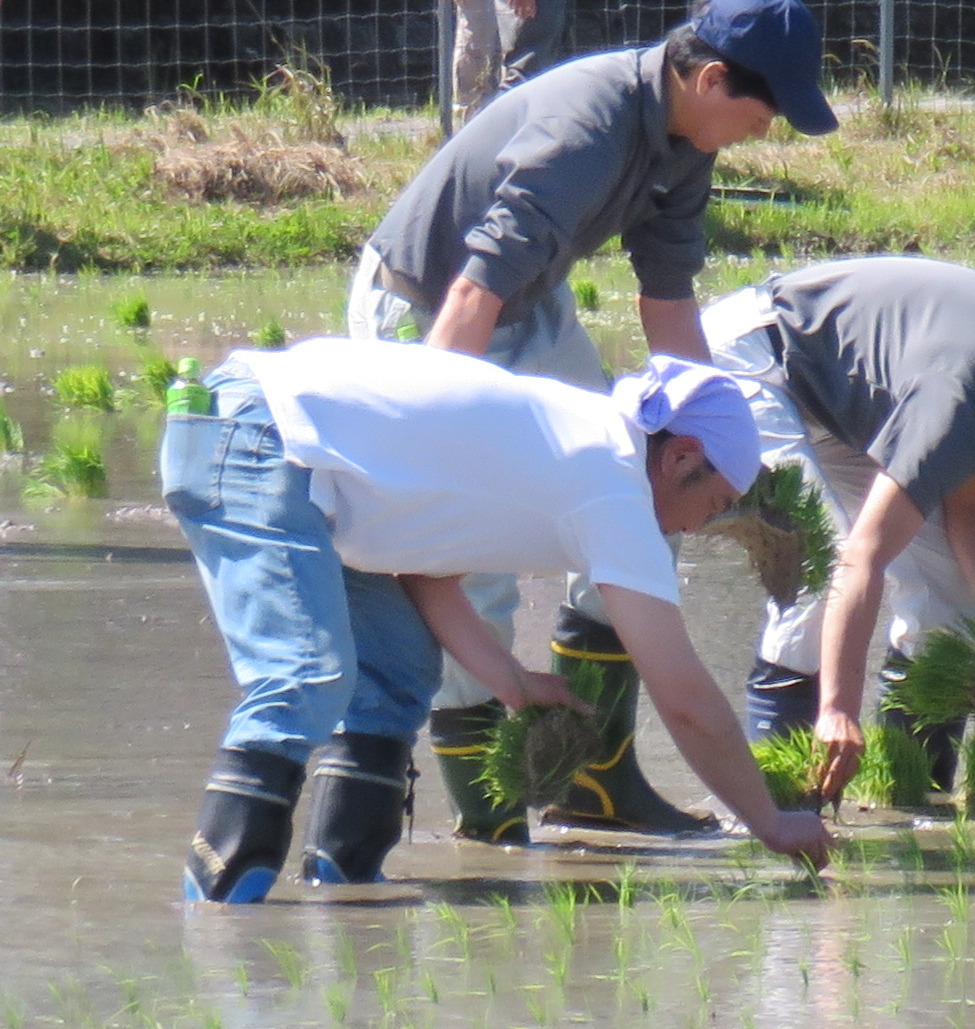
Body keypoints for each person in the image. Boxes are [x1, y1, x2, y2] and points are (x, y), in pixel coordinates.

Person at [352, 0, 840, 837]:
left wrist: (714, 454)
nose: (768, 133)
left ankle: (598, 787)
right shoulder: (586, 130)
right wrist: (433, 456)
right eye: (767, 114)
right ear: (715, 80)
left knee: (633, 499)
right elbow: (473, 289)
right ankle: (490, 812)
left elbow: (669, 302)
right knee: (470, 554)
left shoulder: (686, 140)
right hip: (432, 311)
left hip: (530, 308)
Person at [160, 337, 834, 896]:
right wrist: (771, 822)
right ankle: (216, 926)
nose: (701, 522)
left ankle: (342, 897)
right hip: (254, 434)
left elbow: (428, 573)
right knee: (306, 679)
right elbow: (685, 699)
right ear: (682, 455)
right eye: (713, 503)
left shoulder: (572, 443)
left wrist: (513, 681)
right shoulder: (612, 481)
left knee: (398, 670)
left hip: (298, 466)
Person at [698, 255, 975, 782]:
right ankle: (777, 806)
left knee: (951, 603)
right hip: (758, 354)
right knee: (815, 571)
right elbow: (860, 556)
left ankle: (909, 794)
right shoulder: (971, 392)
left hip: (849, 404)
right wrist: (837, 708)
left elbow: (971, 508)